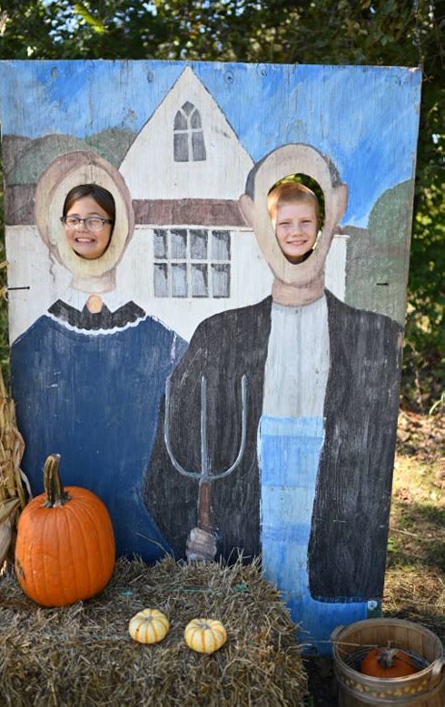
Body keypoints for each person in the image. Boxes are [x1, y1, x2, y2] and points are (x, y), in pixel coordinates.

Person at [144, 144, 403, 654]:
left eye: (307, 220)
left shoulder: (374, 338)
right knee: (250, 645)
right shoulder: (219, 337)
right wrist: (188, 528)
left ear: (333, 217)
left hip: (335, 557)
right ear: (256, 223)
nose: (296, 233)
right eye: (283, 222)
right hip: (243, 547)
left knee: (329, 652)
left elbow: (376, 465)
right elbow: (169, 457)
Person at [11, 154, 187, 561]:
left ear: (116, 228)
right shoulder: (32, 346)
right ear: (59, 227)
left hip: (141, 537)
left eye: (95, 220)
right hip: (58, 538)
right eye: (74, 219)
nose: (83, 229)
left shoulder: (163, 344)